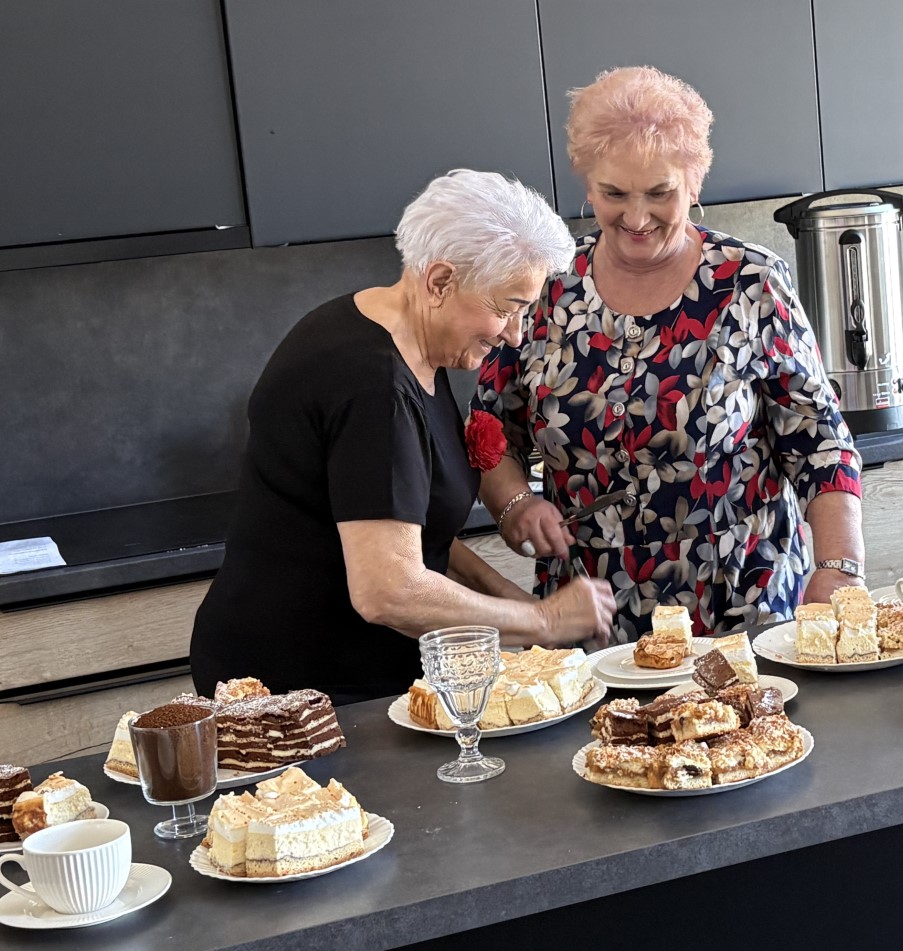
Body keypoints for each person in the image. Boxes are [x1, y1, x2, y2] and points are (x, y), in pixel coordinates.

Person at [192, 170, 617, 704]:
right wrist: (543, 621)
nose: (514, 333)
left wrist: (509, 598)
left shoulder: (391, 334)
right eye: (506, 307)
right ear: (439, 281)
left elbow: (405, 524)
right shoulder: (375, 386)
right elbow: (387, 590)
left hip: (349, 670)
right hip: (301, 686)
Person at [472, 66, 865, 641]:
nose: (636, 218)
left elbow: (820, 443)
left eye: (660, 193)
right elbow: (488, 430)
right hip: (589, 618)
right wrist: (514, 505)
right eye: (613, 194)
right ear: (587, 186)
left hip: (742, 612)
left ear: (694, 184)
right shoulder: (545, 285)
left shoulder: (751, 284)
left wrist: (839, 567)